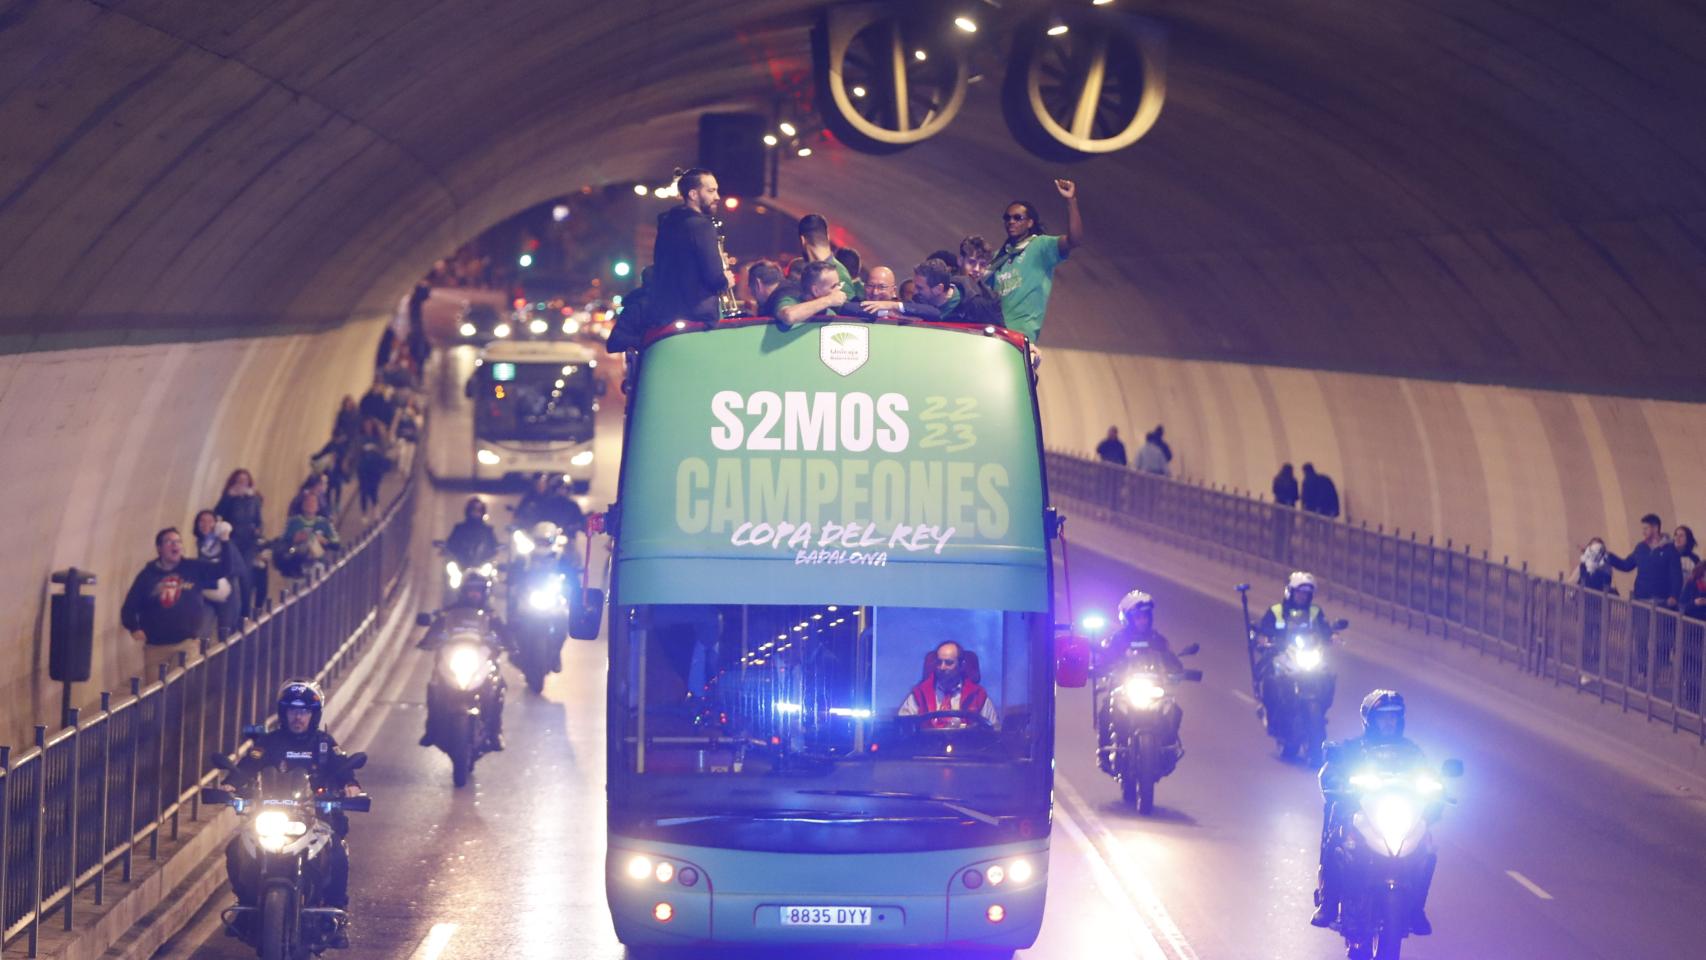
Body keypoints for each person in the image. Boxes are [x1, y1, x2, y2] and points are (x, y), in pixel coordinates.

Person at [222, 681, 362, 936]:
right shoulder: (269, 742)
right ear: (283, 713)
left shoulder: (324, 743)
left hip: (315, 817)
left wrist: (350, 785)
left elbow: (342, 768)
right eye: (293, 711)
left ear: (313, 715)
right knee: (235, 848)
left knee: (338, 852)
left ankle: (335, 913)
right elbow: (247, 767)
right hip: (271, 813)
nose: (298, 717)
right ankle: (246, 905)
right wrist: (231, 784)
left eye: (304, 711)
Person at [1313, 690, 1438, 935]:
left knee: (1427, 849)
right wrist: (1337, 780)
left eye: (1394, 717)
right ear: (1370, 720)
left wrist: (1436, 787)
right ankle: (1328, 903)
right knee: (1336, 840)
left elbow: (1431, 777)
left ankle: (1416, 909)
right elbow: (1329, 772)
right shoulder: (1353, 749)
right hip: (1363, 816)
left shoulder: (1412, 752)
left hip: (1400, 816)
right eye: (1383, 717)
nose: (1389, 722)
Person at [121, 527, 237, 666]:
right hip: (156, 647)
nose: (175, 545)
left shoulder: (193, 568)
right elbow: (130, 605)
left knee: (183, 679)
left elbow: (224, 569)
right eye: (169, 542)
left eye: (178, 541)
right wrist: (133, 627)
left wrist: (225, 540)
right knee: (156, 681)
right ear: (159, 548)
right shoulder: (148, 575)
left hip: (186, 644)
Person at [986, 179, 1084, 342]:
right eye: (1007, 218)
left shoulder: (1040, 246)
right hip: (995, 334)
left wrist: (1071, 201)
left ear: (1030, 223)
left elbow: (1075, 240)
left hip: (1021, 336)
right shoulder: (998, 257)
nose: (1011, 222)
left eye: (1018, 218)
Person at [1093, 591, 1186, 764]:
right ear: (1128, 619)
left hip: (1153, 688)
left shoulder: (1157, 639)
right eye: (1137, 618)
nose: (1142, 621)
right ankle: (1104, 752)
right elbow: (1104, 658)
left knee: (1174, 710)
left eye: (1145, 617)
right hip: (1124, 688)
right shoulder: (1118, 639)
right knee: (1106, 710)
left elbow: (1171, 660)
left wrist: (1178, 671)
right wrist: (1100, 666)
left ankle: (1169, 750)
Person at [418, 574, 508, 751]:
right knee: (434, 685)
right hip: (452, 658)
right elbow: (435, 629)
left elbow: (505, 634)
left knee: (499, 686)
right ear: (463, 592)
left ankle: (495, 731)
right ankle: (431, 729)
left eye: (478, 591)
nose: (474, 594)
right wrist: (429, 641)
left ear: (484, 593)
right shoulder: (449, 612)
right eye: (470, 590)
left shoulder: (492, 615)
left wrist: (508, 643)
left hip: (481, 660)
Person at [1253, 571, 1334, 733]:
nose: (1302, 597)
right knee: (1270, 675)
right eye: (1299, 593)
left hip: (1306, 653)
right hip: (1282, 653)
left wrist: (1333, 635)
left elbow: (1325, 628)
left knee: (1327, 676)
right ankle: (1269, 709)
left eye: (1306, 594)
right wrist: (1264, 638)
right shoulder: (1276, 611)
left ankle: (1321, 708)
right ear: (1290, 592)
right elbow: (1264, 628)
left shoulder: (1315, 612)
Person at [651, 167, 731, 324]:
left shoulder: (668, 224)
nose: (717, 197)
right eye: (711, 191)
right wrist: (725, 280)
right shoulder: (702, 226)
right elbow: (714, 279)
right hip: (697, 317)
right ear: (693, 194)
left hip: (666, 315)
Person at [861, 258, 1002, 326]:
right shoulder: (919, 300)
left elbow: (1000, 337)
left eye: (920, 288)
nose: (915, 291)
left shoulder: (979, 305)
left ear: (938, 289)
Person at [898, 641, 999, 728]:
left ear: (961, 665)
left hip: (966, 744)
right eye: (939, 662)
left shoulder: (977, 695)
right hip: (927, 744)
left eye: (949, 663)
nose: (942, 667)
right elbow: (903, 727)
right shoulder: (920, 694)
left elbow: (993, 731)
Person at [215, 469, 266, 618]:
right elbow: (218, 513)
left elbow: (259, 520)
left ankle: (244, 613)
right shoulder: (229, 498)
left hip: (249, 543)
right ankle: (231, 613)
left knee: (246, 576)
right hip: (232, 542)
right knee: (233, 576)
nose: (242, 483)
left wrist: (257, 530)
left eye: (245, 480)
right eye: (239, 480)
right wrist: (228, 497)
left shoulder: (254, 499)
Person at [1606, 514, 1682, 609]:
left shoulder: (1670, 550)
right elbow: (1626, 565)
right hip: (1640, 599)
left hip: (1661, 601)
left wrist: (1674, 596)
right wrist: (1607, 556)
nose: (1643, 532)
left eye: (1646, 528)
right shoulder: (1640, 547)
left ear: (1655, 528)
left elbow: (1676, 575)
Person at [193, 510, 244, 637]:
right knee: (202, 630)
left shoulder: (225, 542)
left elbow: (238, 567)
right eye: (202, 521)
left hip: (228, 592)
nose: (205, 524)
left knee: (226, 631)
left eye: (210, 521)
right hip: (208, 591)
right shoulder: (201, 543)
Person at [797, 214, 860, 299]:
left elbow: (847, 306)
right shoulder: (840, 272)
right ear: (828, 236)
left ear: (803, 240)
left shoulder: (839, 274)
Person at [279, 492, 340, 579]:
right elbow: (282, 544)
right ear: (302, 505)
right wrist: (294, 540)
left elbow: (337, 545)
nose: (310, 504)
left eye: (313, 502)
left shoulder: (324, 522)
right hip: (297, 566)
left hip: (318, 565)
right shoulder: (293, 522)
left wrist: (324, 541)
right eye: (307, 501)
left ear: (318, 506)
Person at [775, 260, 850, 329]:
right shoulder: (790, 298)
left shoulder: (830, 312)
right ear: (815, 291)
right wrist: (830, 300)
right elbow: (789, 316)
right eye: (833, 286)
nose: (838, 290)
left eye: (839, 284)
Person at [354, 417, 392, 520]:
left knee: (373, 489)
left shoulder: (378, 439)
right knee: (363, 490)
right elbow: (355, 452)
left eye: (370, 425)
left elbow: (384, 449)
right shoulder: (360, 439)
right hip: (363, 468)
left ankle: (376, 508)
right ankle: (364, 513)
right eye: (366, 425)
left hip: (375, 468)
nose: (368, 427)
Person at [445, 497, 500, 566]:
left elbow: (494, 546)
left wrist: (496, 548)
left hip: (482, 566)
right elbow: (451, 544)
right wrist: (446, 548)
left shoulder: (488, 531)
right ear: (468, 511)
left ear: (482, 512)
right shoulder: (459, 529)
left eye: (479, 510)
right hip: (461, 565)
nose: (476, 513)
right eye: (473, 509)